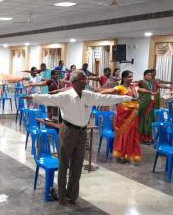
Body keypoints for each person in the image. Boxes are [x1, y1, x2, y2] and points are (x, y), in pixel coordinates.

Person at [27, 70, 134, 206]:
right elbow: (48, 98)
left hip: (82, 133)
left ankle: (72, 195)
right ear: (75, 82)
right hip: (67, 131)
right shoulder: (65, 96)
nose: (86, 82)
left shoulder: (88, 95)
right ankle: (61, 196)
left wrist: (127, 98)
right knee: (64, 164)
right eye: (84, 80)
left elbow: (107, 99)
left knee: (77, 165)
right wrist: (33, 97)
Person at [99, 71, 141, 164]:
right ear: (124, 78)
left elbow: (139, 93)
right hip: (123, 116)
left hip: (133, 114)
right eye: (129, 77)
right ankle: (121, 154)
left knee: (132, 134)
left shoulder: (133, 87)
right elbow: (111, 90)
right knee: (123, 134)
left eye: (132, 76)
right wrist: (100, 93)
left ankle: (129, 154)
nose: (131, 78)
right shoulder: (120, 87)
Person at [137, 70, 172, 144]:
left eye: (151, 75)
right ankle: (143, 138)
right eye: (148, 75)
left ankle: (148, 137)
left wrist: (170, 87)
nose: (150, 76)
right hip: (144, 104)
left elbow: (160, 85)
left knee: (150, 120)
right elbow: (136, 87)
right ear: (144, 75)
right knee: (143, 120)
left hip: (151, 103)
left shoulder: (152, 82)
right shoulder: (141, 82)